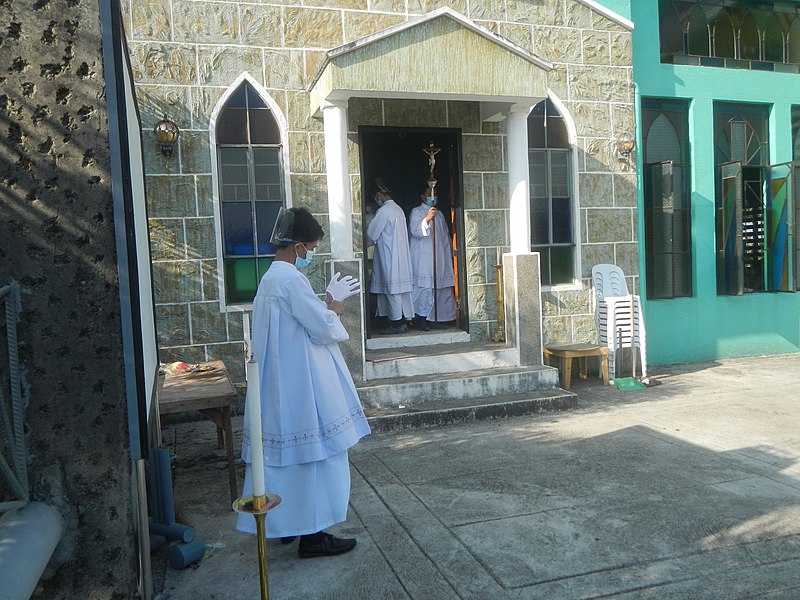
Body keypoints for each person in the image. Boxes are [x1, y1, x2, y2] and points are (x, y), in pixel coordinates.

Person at [236, 207, 371, 558]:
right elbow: (322, 327)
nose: (311, 253)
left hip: (280, 382)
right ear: (296, 246)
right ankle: (313, 535)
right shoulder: (291, 280)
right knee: (317, 456)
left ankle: (285, 525)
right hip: (302, 385)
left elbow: (300, 321)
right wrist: (335, 306)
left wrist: (323, 304)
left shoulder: (271, 279)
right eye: (310, 247)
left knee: (284, 461)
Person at [365, 178, 414, 334]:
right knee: (396, 289)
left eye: (376, 197)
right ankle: (400, 320)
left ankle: (396, 323)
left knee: (391, 288)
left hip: (389, 255)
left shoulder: (384, 211)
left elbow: (372, 234)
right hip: (400, 255)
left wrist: (361, 243)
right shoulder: (398, 209)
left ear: (379, 195)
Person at [408, 186, 456, 330]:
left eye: (435, 194)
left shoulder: (439, 214)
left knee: (438, 288)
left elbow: (445, 237)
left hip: (439, 256)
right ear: (423, 196)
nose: (433, 197)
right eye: (429, 194)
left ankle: (437, 318)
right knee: (425, 288)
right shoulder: (417, 212)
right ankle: (421, 318)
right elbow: (415, 231)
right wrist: (427, 219)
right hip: (423, 257)